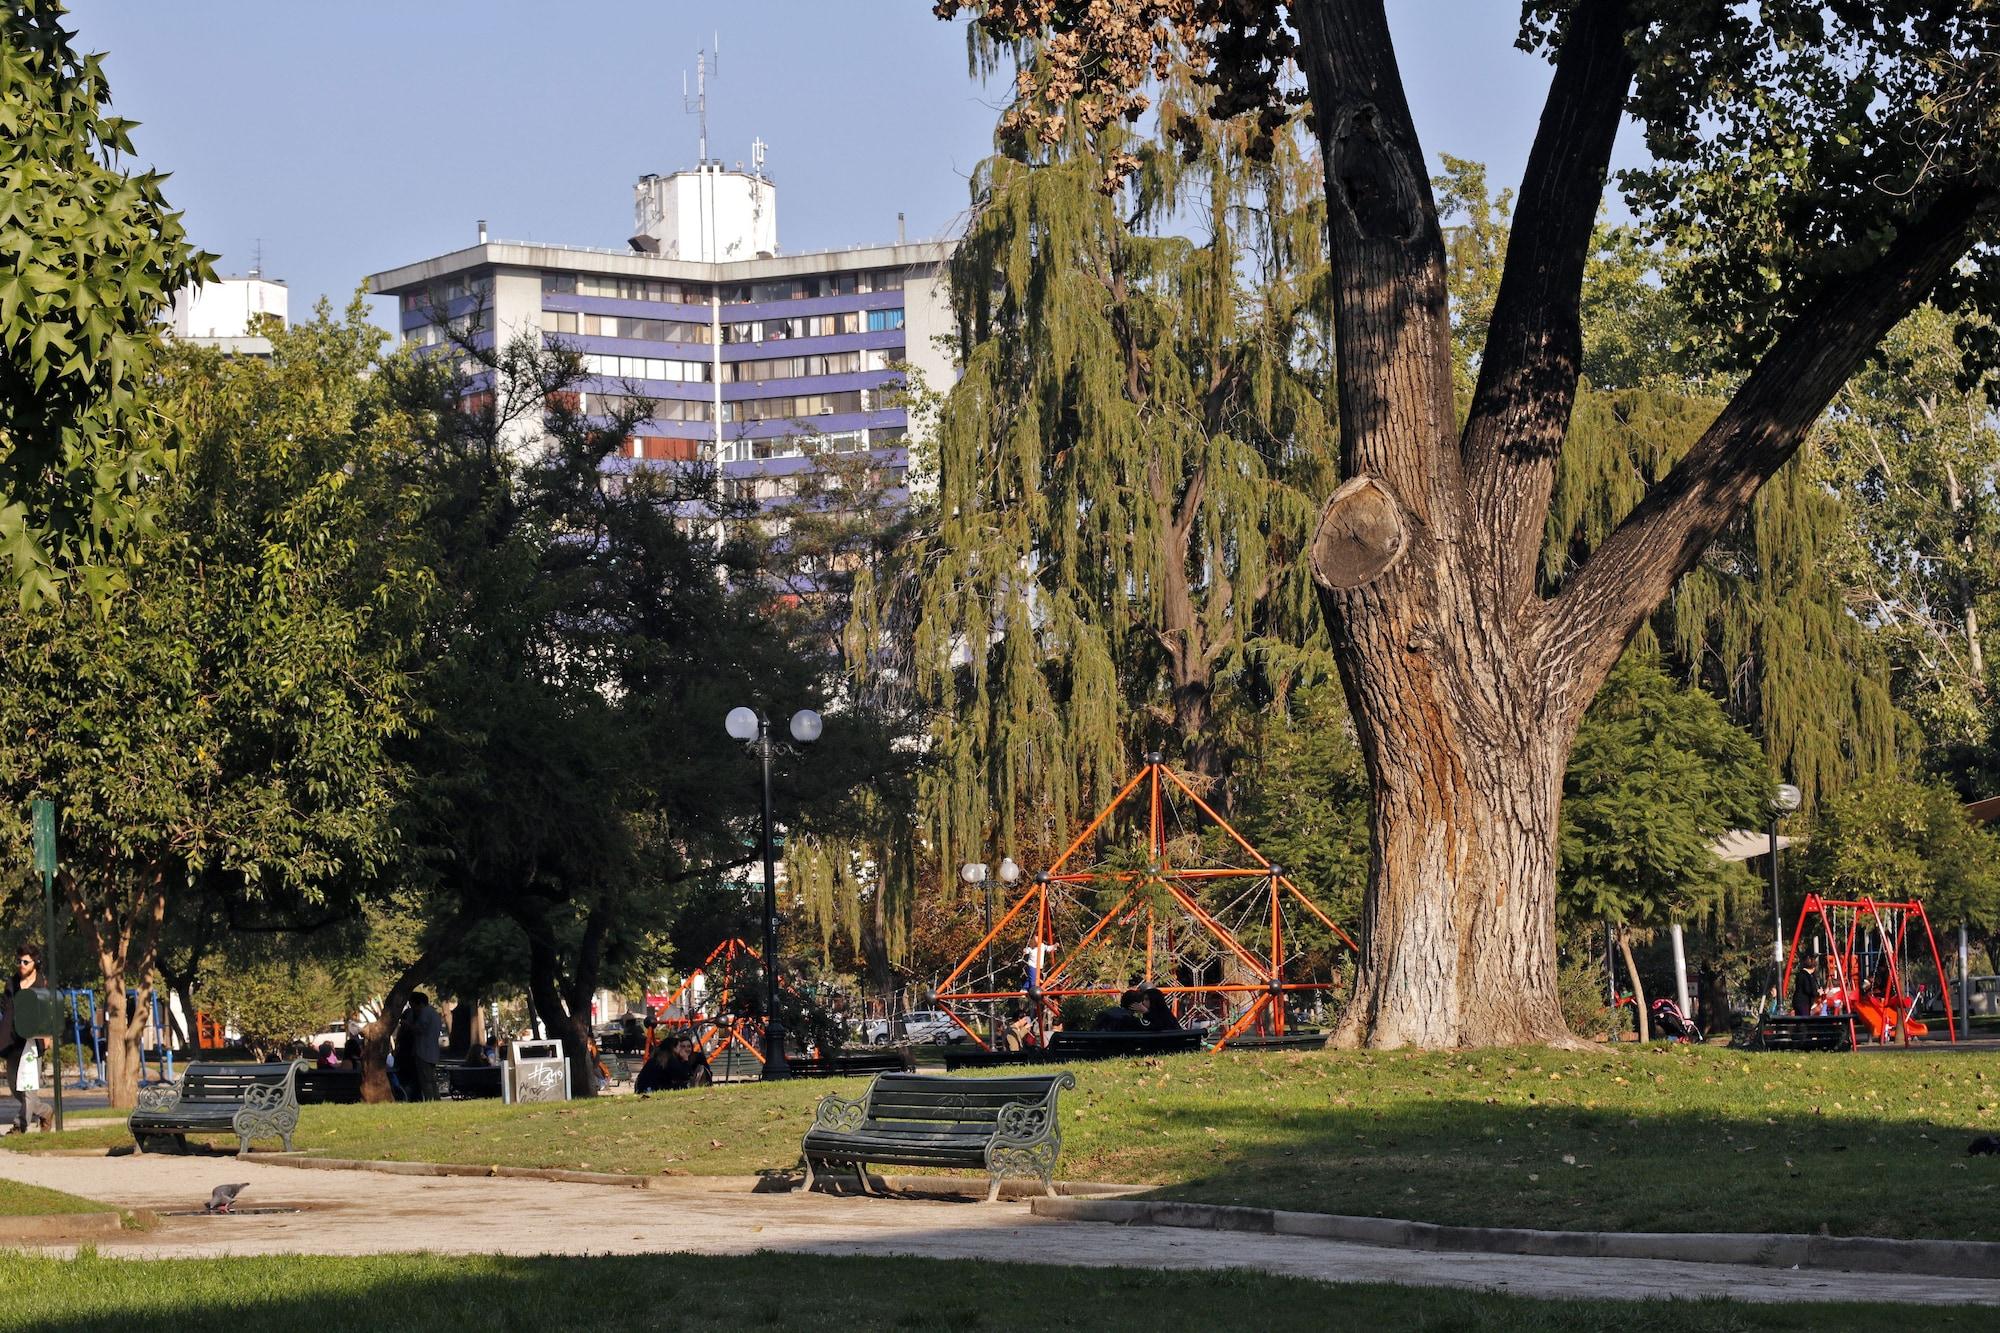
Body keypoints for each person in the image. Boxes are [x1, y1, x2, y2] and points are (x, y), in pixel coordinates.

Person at [1, 945, 53, 1134]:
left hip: (32, 1043)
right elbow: (5, 1008)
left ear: (35, 963)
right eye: (19, 961)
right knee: (16, 1089)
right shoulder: (12, 983)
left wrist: (47, 1035)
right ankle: (45, 1111)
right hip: (12, 1041)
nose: (21, 965)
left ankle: (19, 1126)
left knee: (29, 1088)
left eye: (25, 962)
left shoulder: (41, 985)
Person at [396, 993, 444, 1103]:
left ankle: (430, 1099)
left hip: (423, 1051)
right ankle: (436, 1099)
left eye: (413, 1005)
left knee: (426, 1080)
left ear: (419, 1004)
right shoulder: (434, 1013)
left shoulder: (424, 1014)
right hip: (432, 1050)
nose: (413, 1009)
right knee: (432, 1079)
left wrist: (408, 1025)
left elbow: (420, 1029)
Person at [635, 1034, 711, 1093]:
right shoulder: (669, 1060)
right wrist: (685, 1059)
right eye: (680, 1047)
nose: (681, 1049)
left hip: (643, 1088)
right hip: (652, 1089)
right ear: (673, 1048)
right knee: (683, 1086)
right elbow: (684, 1076)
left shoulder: (657, 1058)